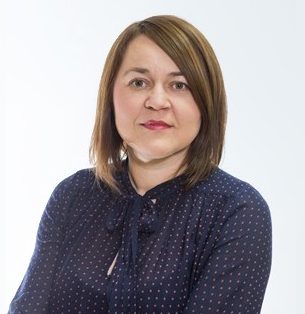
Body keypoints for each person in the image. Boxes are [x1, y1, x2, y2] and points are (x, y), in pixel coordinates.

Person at [8, 15, 272, 313]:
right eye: (139, 82)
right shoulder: (72, 196)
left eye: (179, 85)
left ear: (206, 102)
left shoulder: (236, 211)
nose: (157, 101)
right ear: (111, 96)